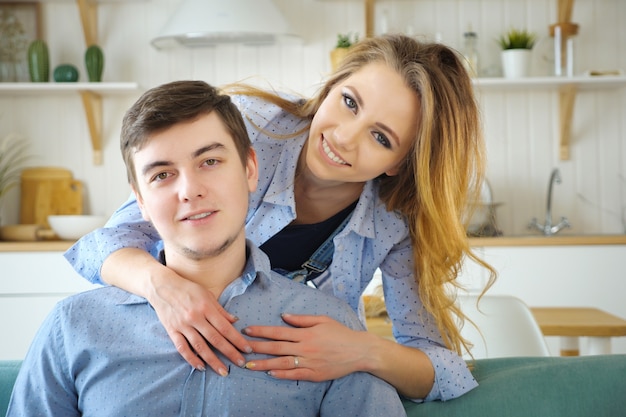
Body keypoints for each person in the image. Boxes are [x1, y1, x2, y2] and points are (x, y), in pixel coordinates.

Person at [65, 34, 495, 402]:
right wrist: (165, 289)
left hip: (292, 381)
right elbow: (107, 241)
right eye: (348, 102)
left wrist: (363, 350)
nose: (344, 137)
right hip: (173, 340)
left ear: (400, 162)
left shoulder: (394, 221)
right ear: (329, 88)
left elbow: (444, 369)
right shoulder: (250, 126)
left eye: (381, 137)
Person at [6, 80, 406, 416]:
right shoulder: (74, 327)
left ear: (250, 169)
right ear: (139, 200)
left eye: (210, 162)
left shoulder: (329, 330)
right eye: (162, 174)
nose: (189, 190)